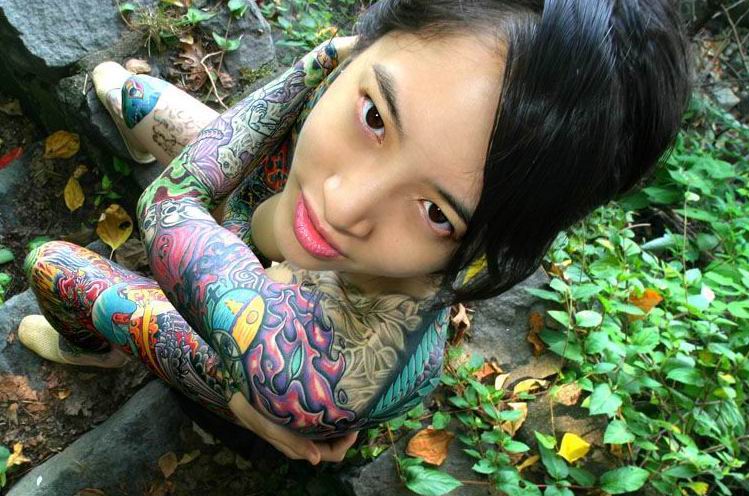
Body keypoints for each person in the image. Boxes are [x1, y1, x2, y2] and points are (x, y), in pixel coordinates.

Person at [18, 0, 691, 465]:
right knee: (132, 95)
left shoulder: (320, 371)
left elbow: (169, 203)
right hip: (260, 230)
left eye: (438, 212)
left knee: (49, 265)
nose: (344, 206)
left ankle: (90, 348)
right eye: (375, 117)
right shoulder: (357, 80)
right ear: (368, 44)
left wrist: (316, 66)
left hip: (249, 364)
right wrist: (327, 70)